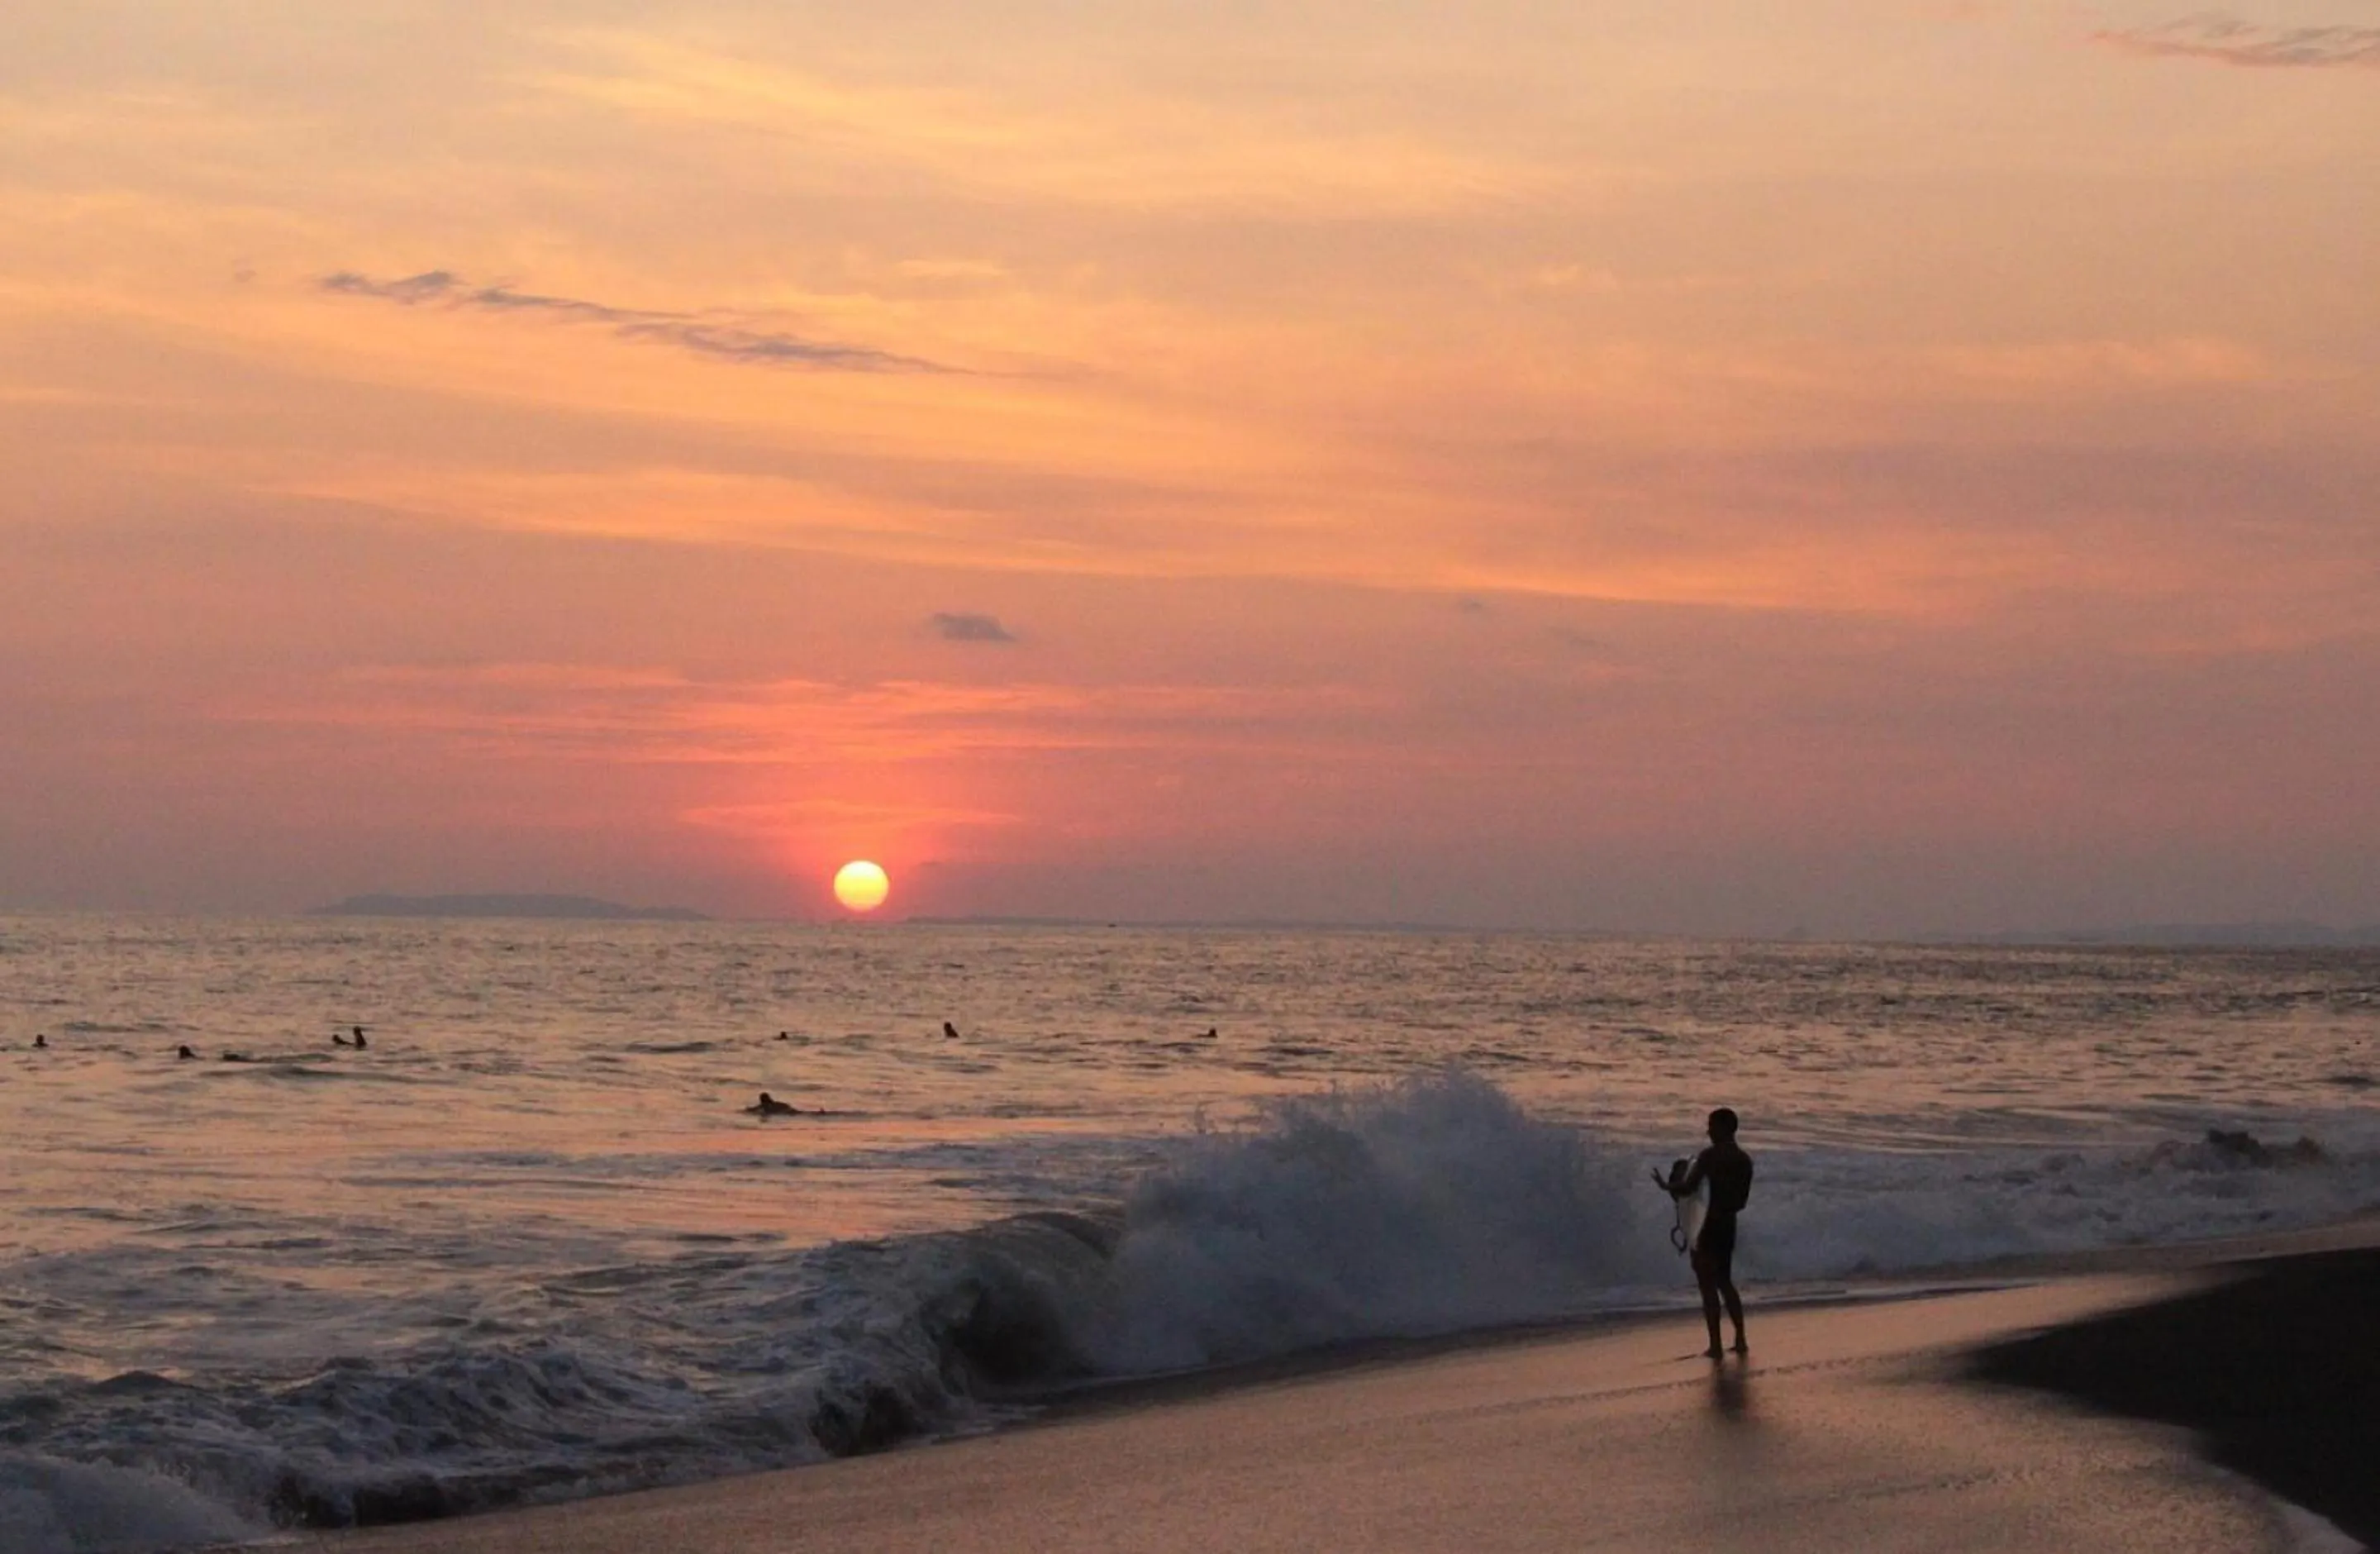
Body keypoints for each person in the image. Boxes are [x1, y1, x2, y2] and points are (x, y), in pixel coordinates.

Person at [1655, 1107, 1754, 1359]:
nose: (1708, 1131)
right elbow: (1741, 1202)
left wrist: (1667, 1185)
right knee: (1725, 1282)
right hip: (1728, 1225)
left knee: (1707, 1286)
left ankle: (1716, 1345)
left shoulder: (1709, 1157)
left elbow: (1688, 1188)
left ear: (1723, 1128)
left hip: (1706, 1226)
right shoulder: (1744, 1160)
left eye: (1711, 1126)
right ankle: (1740, 1339)